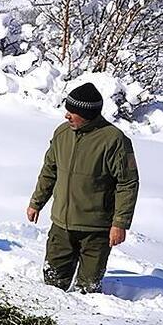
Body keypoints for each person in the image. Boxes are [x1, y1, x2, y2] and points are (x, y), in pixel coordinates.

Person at [27, 83, 140, 293]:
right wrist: (36, 202)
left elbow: (127, 184)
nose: (66, 116)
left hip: (96, 231)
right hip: (61, 226)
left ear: (88, 114)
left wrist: (120, 223)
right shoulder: (62, 133)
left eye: (73, 112)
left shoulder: (114, 140)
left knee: (87, 290)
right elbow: (49, 171)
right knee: (52, 286)